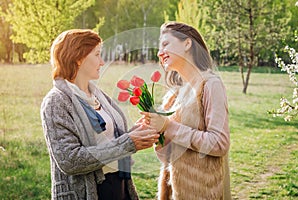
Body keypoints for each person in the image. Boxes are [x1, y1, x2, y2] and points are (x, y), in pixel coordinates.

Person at [40, 29, 160, 200]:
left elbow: (110, 140)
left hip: (119, 186)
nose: (102, 62)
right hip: (87, 192)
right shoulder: (55, 103)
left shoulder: (98, 95)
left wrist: (137, 132)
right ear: (79, 58)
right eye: (97, 54)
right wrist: (128, 142)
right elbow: (69, 160)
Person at [141, 22, 231, 199]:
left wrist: (169, 127)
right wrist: (157, 134)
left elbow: (220, 143)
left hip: (203, 192)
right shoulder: (174, 94)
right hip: (175, 192)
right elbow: (168, 156)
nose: (159, 53)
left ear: (187, 43)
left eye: (165, 44)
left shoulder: (210, 85)